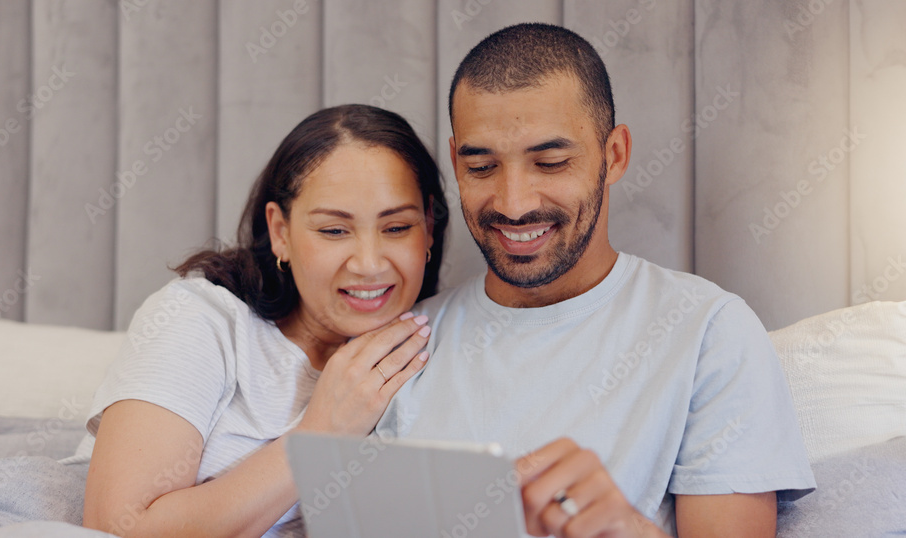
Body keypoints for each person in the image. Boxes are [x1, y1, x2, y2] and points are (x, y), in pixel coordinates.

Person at [376, 23, 815, 538]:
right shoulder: (401, 344)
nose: (514, 203)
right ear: (455, 163)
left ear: (614, 156)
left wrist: (625, 528)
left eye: (551, 162)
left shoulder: (709, 332)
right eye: (482, 166)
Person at [81, 104, 449, 537]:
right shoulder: (200, 319)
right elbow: (117, 528)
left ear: (427, 226)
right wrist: (320, 434)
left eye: (397, 227)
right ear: (280, 232)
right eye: (334, 230)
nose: (369, 264)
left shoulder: (443, 345)